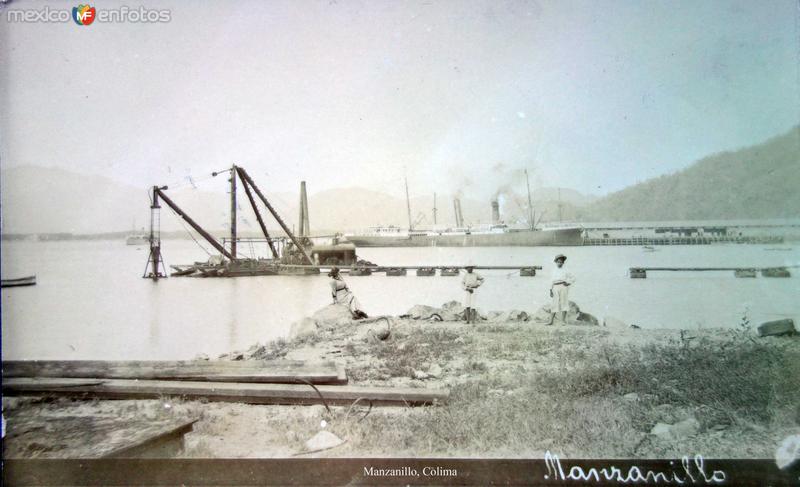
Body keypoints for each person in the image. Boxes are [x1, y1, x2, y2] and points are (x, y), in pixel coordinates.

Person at [547, 254, 575, 325]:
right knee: (554, 303)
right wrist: (550, 290)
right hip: (555, 287)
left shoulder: (566, 270)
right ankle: (551, 321)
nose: (559, 263)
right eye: (558, 262)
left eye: (561, 262)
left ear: (563, 263)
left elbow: (573, 278)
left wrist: (568, 283)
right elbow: (551, 281)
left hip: (563, 286)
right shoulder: (553, 270)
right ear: (556, 262)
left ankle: (563, 321)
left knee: (564, 303)